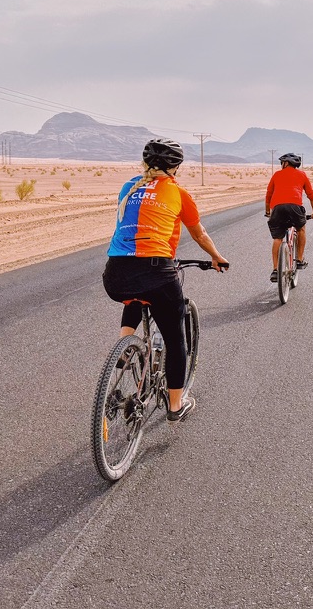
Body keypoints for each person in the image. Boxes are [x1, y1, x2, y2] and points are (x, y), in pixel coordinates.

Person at [102, 138, 228, 422]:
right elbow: (199, 234)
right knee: (176, 339)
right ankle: (175, 406)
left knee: (136, 292)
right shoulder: (178, 193)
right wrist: (217, 257)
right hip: (157, 270)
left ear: (144, 163)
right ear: (176, 167)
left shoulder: (127, 188)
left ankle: (124, 349)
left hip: (115, 273)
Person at [265, 152, 313, 283]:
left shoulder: (277, 174)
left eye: (282, 162)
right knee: (301, 229)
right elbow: (311, 195)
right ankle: (300, 260)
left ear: (286, 163)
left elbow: (269, 194)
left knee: (277, 238)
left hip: (277, 208)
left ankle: (275, 270)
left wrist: (268, 211)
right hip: (295, 207)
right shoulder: (302, 175)